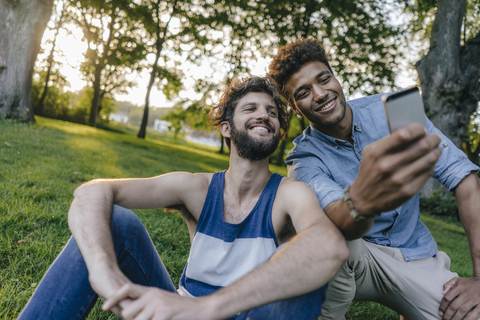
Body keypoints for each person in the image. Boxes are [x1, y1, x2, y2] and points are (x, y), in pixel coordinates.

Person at [18, 76, 348, 320]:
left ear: (279, 130)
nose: (265, 115)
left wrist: (207, 308)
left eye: (272, 112)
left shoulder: (290, 194)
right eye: (250, 108)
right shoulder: (195, 188)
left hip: (243, 313)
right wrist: (103, 272)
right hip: (177, 314)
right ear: (227, 129)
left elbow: (328, 247)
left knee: (304, 271)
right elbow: (91, 191)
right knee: (116, 219)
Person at [267, 38, 480, 320]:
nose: (320, 94)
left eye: (324, 79)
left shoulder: (394, 111)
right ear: (295, 108)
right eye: (304, 92)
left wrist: (479, 279)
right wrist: (364, 198)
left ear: (336, 78)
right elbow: (341, 220)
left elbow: (463, 179)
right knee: (321, 235)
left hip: (415, 256)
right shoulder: (303, 159)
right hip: (353, 259)